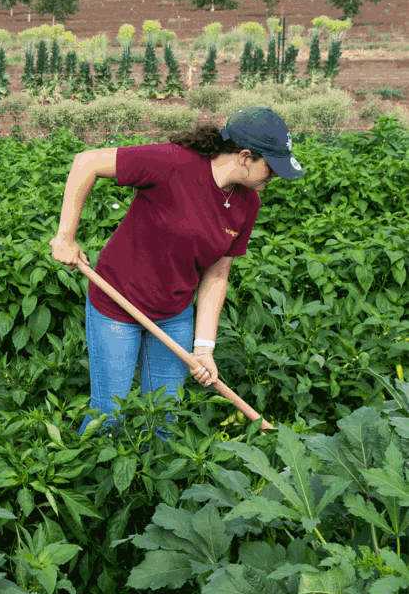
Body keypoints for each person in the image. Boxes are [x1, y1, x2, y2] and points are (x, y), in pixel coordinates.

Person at [50, 107, 305, 434]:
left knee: (164, 419)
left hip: (174, 313)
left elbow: (217, 275)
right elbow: (87, 162)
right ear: (245, 157)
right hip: (117, 303)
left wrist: (204, 348)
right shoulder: (172, 162)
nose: (275, 176)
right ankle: (84, 462)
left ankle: (151, 468)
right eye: (272, 166)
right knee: (109, 415)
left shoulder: (247, 203)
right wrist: (66, 237)